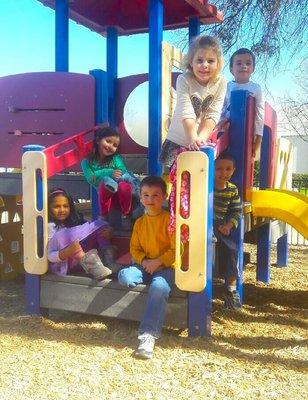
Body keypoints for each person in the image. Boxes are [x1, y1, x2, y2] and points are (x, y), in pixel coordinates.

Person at [118, 176, 175, 360]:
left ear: (164, 197)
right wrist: (144, 262)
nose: (150, 199)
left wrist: (157, 262)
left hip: (165, 266)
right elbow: (134, 248)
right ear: (140, 198)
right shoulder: (140, 223)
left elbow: (177, 250)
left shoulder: (169, 221)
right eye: (146, 195)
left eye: (155, 195)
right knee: (125, 276)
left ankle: (147, 336)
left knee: (159, 287)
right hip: (145, 265)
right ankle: (147, 276)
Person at [160, 35, 227, 173]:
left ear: (218, 64)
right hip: (177, 140)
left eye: (210, 61)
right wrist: (192, 138)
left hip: (198, 141)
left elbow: (212, 113)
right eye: (199, 60)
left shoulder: (221, 83)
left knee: (193, 183)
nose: (205, 65)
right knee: (170, 181)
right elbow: (186, 111)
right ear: (191, 62)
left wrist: (200, 140)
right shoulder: (184, 79)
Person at [47, 188, 121, 279]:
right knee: (64, 237)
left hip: (81, 255)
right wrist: (67, 251)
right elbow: (50, 256)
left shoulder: (73, 221)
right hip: (65, 262)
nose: (62, 210)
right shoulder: (50, 227)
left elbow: (90, 227)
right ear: (49, 208)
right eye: (57, 206)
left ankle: (108, 261)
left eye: (65, 206)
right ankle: (95, 269)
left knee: (99, 224)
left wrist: (109, 229)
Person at [81, 126, 136, 230]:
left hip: (120, 192)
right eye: (108, 141)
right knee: (105, 182)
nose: (111, 146)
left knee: (125, 185)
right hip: (106, 194)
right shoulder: (86, 162)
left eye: (115, 145)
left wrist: (98, 174)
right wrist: (109, 172)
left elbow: (122, 171)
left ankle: (126, 214)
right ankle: (104, 216)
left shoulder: (115, 158)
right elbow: (91, 178)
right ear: (98, 140)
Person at [220, 48, 264, 158]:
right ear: (231, 69)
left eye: (248, 63)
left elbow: (260, 113)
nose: (243, 66)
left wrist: (258, 139)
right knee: (225, 158)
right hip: (227, 129)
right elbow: (221, 108)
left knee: (241, 159)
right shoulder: (226, 87)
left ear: (253, 68)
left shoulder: (255, 88)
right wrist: (220, 125)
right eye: (239, 63)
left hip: (246, 132)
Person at [214, 152, 242, 309]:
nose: (223, 173)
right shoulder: (207, 185)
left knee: (231, 249)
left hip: (220, 225)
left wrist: (229, 226)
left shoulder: (232, 189)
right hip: (204, 222)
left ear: (233, 170)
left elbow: (235, 211)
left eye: (228, 169)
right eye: (219, 169)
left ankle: (230, 290)